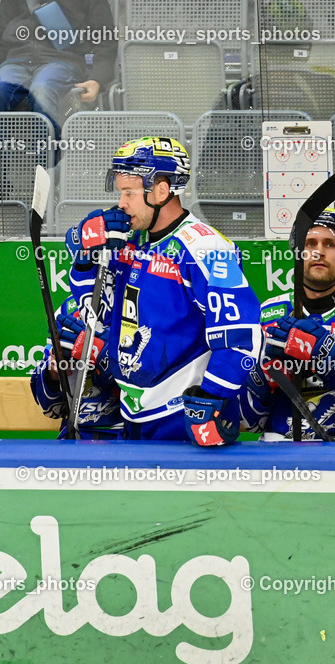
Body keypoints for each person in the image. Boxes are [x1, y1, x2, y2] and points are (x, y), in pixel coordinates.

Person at [65, 136, 261, 445]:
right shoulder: (128, 242)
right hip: (132, 413)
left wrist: (213, 397)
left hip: (183, 415)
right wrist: (87, 260)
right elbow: (98, 317)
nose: (121, 203)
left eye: (129, 192)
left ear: (161, 189)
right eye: (120, 192)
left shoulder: (206, 247)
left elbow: (240, 334)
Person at [241, 209, 335, 440]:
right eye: (310, 243)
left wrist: (328, 355)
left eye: (330, 244)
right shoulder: (268, 314)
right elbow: (248, 424)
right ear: (297, 251)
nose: (319, 252)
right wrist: (261, 380)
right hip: (278, 453)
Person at [0, 0, 116, 136]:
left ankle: (46, 161)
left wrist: (97, 79)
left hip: (61, 62)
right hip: (16, 61)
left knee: (42, 90)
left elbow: (106, 39)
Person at [30, 294, 122, 439]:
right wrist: (53, 373)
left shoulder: (139, 303)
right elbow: (51, 409)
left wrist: (111, 359)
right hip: (77, 432)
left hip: (128, 434)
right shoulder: (70, 306)